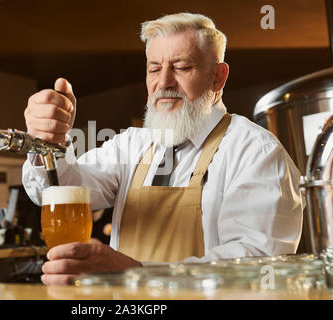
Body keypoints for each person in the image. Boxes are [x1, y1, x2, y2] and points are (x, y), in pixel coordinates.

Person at [22, 13, 303, 285]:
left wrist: (140, 274)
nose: (164, 83)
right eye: (154, 68)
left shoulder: (255, 151)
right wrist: (50, 142)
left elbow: (256, 268)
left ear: (218, 77)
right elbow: (58, 190)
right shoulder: (130, 146)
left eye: (181, 67)